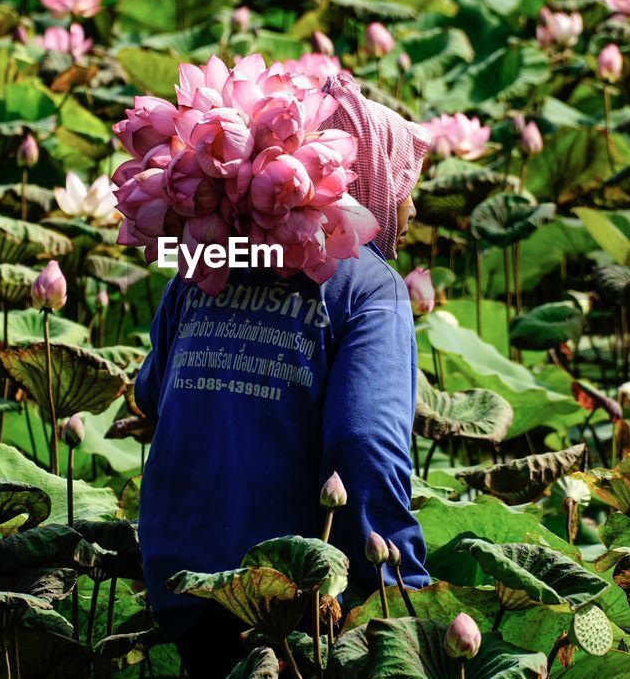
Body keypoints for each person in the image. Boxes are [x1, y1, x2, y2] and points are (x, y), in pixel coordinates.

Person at [133, 73, 433, 677]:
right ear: (366, 182)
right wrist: (402, 584)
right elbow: (363, 443)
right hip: (298, 602)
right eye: (405, 183)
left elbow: (148, 393)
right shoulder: (372, 288)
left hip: (179, 586)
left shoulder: (207, 262)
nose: (412, 205)